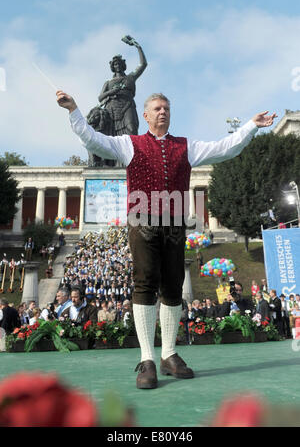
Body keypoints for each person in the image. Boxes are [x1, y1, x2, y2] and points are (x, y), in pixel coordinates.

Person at [57, 88, 276, 390]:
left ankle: (169, 354)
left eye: (167, 108)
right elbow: (94, 139)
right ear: (145, 115)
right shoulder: (127, 144)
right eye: (157, 108)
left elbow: (225, 147)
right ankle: (148, 359)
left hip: (174, 225)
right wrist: (73, 110)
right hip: (142, 223)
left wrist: (250, 125)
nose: (163, 112)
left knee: (173, 285)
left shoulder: (186, 146)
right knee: (145, 281)